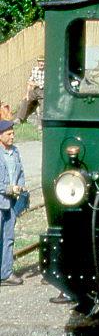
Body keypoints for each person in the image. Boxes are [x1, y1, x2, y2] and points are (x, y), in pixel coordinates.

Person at [0, 120, 26, 285]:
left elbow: (21, 172)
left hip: (11, 202)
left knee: (8, 238)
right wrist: (10, 189)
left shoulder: (15, 152)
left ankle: (6, 273)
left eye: (13, 133)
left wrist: (21, 187)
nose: (12, 136)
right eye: (9, 134)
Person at [16, 56, 45, 127]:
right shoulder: (34, 69)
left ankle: (40, 125)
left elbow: (44, 84)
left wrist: (35, 84)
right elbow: (29, 82)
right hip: (35, 90)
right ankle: (19, 118)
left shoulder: (47, 71)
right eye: (40, 62)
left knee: (43, 107)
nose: (42, 63)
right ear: (38, 62)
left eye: (43, 62)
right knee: (25, 100)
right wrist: (27, 94)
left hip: (43, 91)